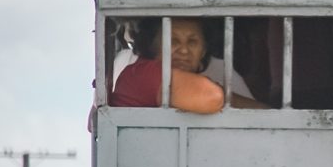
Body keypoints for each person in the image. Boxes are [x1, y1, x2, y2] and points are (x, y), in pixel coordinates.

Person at [110, 18, 266, 112]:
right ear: (151, 45)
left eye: (192, 42)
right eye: (173, 40)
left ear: (203, 51)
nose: (184, 50)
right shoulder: (143, 75)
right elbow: (212, 97)